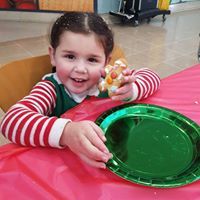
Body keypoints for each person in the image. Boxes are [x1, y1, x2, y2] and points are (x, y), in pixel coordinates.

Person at [0, 11, 160, 169]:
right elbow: (10, 122)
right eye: (70, 56)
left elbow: (152, 76)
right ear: (53, 55)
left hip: (114, 159)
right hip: (64, 170)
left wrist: (132, 90)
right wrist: (66, 132)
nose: (80, 69)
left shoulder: (110, 81)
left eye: (92, 60)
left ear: (106, 62)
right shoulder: (51, 88)